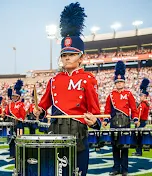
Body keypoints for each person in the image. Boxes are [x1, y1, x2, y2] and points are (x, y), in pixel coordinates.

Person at [33, 2, 101, 176]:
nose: (67, 58)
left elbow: (95, 113)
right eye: (64, 55)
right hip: (56, 132)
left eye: (71, 54)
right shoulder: (54, 80)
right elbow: (42, 107)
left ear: (81, 57)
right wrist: (38, 111)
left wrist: (95, 122)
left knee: (78, 172)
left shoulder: (88, 79)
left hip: (78, 134)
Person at [102, 61, 139, 176]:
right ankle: (115, 168)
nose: (119, 84)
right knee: (115, 147)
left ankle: (125, 169)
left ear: (124, 82)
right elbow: (107, 110)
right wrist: (105, 121)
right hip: (114, 123)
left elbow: (134, 109)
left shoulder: (128, 94)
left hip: (126, 123)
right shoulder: (111, 95)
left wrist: (136, 119)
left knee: (125, 147)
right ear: (115, 83)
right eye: (117, 82)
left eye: (121, 82)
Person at [6, 80, 26, 159]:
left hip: (18, 124)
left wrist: (19, 118)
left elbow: (23, 115)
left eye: (15, 96)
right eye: (13, 96)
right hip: (10, 123)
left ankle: (19, 155)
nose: (13, 97)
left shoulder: (21, 104)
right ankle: (12, 154)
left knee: (18, 139)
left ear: (18, 97)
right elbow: (7, 114)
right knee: (11, 139)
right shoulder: (10, 104)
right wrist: (4, 115)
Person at [132, 78, 150, 156]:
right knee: (139, 136)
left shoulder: (143, 104)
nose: (140, 96)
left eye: (141, 95)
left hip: (141, 121)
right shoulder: (145, 103)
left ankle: (138, 151)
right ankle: (139, 151)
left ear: (144, 96)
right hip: (143, 121)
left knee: (138, 137)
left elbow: (139, 113)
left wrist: (138, 121)